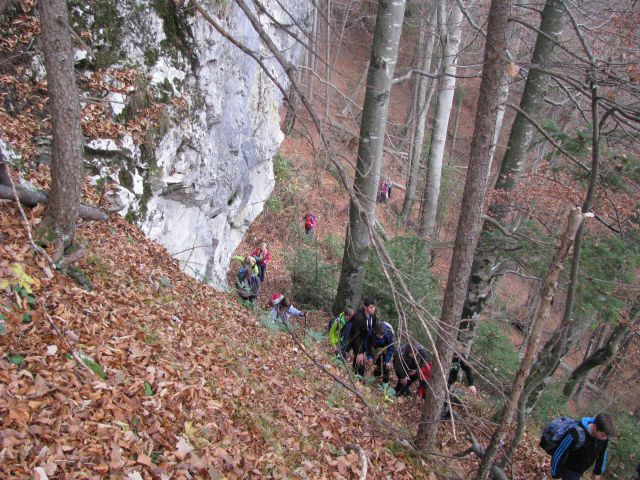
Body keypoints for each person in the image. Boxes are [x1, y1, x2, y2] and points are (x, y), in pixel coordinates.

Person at [549, 414, 615, 480]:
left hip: (580, 471)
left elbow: (602, 455)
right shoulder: (575, 433)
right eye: (602, 435)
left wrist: (597, 472)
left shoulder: (603, 438)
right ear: (595, 427)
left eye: (606, 436)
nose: (605, 438)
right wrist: (555, 475)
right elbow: (559, 452)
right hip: (568, 469)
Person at [348, 298, 378, 377]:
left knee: (361, 359)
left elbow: (373, 331)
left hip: (365, 340)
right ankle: (358, 379)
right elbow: (356, 336)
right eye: (371, 307)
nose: (373, 309)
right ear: (365, 307)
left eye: (374, 307)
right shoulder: (359, 317)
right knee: (360, 360)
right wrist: (360, 352)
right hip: (356, 339)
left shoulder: (373, 316)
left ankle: (355, 374)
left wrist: (367, 351)